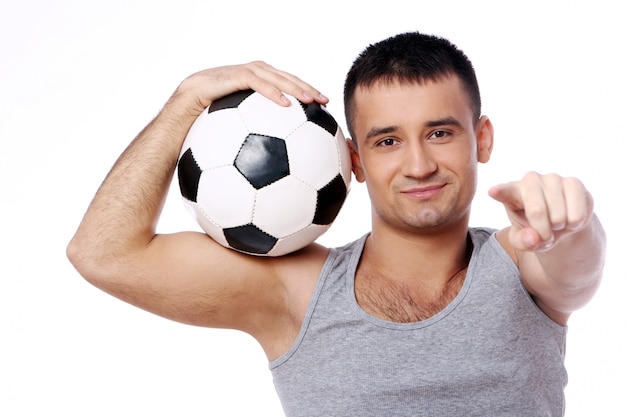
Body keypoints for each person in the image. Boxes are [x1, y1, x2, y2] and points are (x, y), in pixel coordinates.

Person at [67, 31, 606, 416]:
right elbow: (102, 253)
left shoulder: (524, 263)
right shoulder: (294, 292)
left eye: (439, 133)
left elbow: (573, 267)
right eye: (388, 141)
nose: (418, 164)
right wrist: (185, 101)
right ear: (355, 161)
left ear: (481, 139)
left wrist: (572, 223)